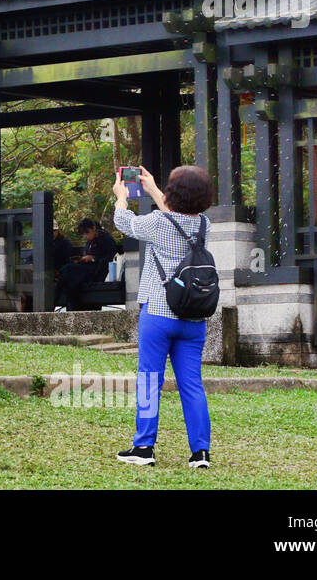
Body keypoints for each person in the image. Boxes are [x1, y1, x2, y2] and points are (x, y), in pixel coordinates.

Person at [112, 165, 213, 469]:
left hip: (158, 312)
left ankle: (144, 447)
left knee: (149, 380)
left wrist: (121, 198)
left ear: (173, 193)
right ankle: (200, 453)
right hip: (194, 317)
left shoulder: (158, 222)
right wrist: (153, 188)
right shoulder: (205, 225)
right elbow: (178, 216)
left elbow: (124, 223)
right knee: (192, 384)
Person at [54, 218, 117, 311]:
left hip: (97, 272)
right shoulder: (90, 242)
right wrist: (82, 259)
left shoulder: (106, 239)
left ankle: (56, 299)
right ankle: (69, 302)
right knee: (69, 276)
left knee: (67, 270)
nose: (86, 236)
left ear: (94, 228)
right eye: (84, 233)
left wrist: (93, 258)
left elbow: (109, 257)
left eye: (87, 232)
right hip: (86, 269)